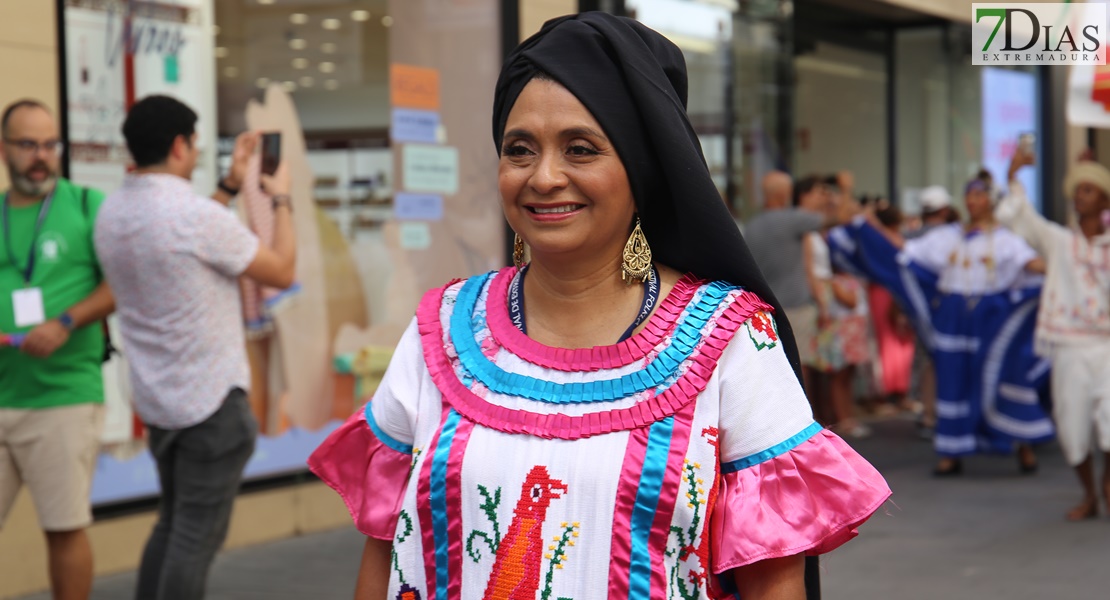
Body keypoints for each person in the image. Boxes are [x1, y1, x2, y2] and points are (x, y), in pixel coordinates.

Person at [309, 14, 889, 600]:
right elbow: (385, 547)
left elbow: (774, 581)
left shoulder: (730, 341)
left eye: (581, 149)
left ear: (640, 169)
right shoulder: (443, 332)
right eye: (519, 150)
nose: (544, 176)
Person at [94, 95, 297, 600]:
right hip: (211, 406)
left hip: (159, 402)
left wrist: (232, 181)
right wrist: (281, 198)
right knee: (193, 538)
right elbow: (282, 271)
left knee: (172, 524)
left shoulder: (113, 211)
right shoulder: (192, 217)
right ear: (181, 145)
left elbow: (193, 230)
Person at [829, 173, 1052, 476]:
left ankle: (1022, 447)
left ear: (991, 201)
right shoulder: (948, 236)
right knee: (952, 380)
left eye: (980, 195)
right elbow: (904, 255)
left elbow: (1032, 265)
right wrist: (873, 228)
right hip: (952, 316)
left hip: (990, 319)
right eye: (969, 195)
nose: (973, 201)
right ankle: (951, 452)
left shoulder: (1005, 240)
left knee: (998, 378)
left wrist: (1064, 265)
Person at [0, 99, 115, 600]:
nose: (41, 156)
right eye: (28, 144)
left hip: (64, 398)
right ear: (4, 149)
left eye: (50, 144)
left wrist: (67, 321)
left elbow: (123, 283)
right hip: (3, 393)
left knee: (63, 527)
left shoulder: (88, 205)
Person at [997, 150, 1110, 520]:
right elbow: (1021, 220)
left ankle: (1106, 483)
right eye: (1078, 190)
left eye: (1089, 190)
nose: (1080, 197)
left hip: (1107, 345)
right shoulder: (1060, 242)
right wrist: (1013, 177)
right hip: (1069, 347)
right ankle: (1089, 494)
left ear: (1104, 200)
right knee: (1073, 426)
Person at [746, 172, 834, 400]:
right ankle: (805, 422)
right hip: (796, 304)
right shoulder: (794, 219)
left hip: (765, 306)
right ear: (785, 194)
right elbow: (836, 218)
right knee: (801, 366)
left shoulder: (752, 226)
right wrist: (839, 191)